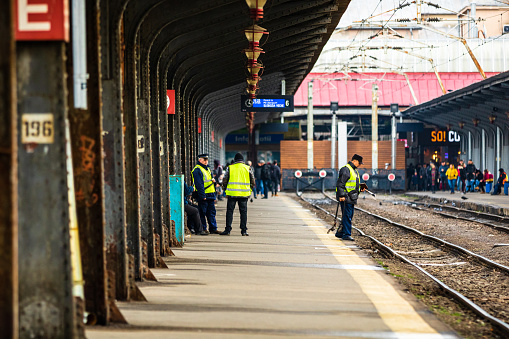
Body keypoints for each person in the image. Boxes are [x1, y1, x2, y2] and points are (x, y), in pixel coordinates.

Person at [220, 153, 255, 236]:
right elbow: (253, 181)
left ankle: (228, 229)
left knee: (230, 212)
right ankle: (243, 230)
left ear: (235, 160)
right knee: (243, 212)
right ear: (243, 160)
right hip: (244, 194)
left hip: (232, 193)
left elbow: (225, 180)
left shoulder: (230, 168)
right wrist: (249, 190)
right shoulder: (248, 168)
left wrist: (225, 189)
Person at [335, 154, 366, 241]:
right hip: (346, 197)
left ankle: (341, 233)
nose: (359, 165)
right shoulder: (346, 169)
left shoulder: (354, 170)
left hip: (351, 197)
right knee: (347, 215)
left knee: (348, 215)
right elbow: (340, 184)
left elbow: (353, 186)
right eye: (359, 163)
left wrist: (360, 189)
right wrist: (341, 195)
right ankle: (346, 234)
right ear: (354, 161)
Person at [192, 154, 220, 234]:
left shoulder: (207, 169)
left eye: (206, 160)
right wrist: (202, 195)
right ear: (199, 160)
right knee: (202, 212)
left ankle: (213, 228)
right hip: (204, 194)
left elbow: (209, 180)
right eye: (204, 160)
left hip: (210, 194)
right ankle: (203, 229)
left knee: (211, 212)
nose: (206, 161)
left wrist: (214, 183)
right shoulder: (197, 170)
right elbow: (199, 184)